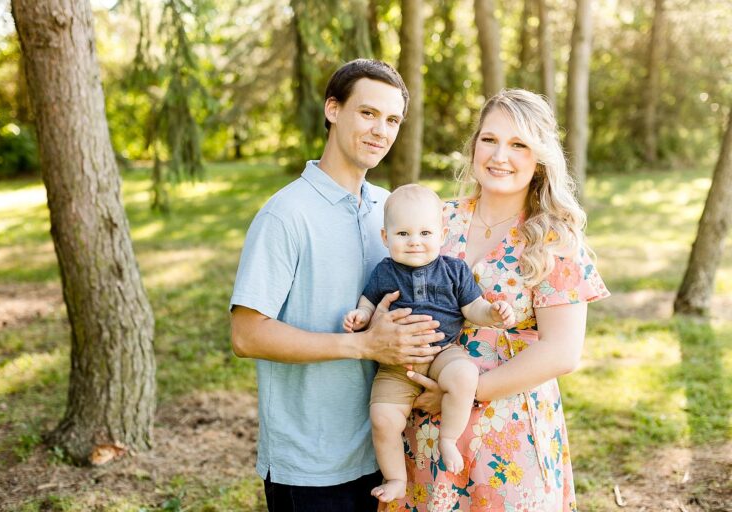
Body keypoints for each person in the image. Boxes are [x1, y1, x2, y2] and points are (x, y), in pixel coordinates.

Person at [229, 59, 446, 512]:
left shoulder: (391, 212)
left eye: (392, 120)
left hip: (387, 452)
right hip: (313, 463)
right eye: (368, 113)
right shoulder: (285, 214)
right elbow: (246, 336)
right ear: (333, 109)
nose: (380, 131)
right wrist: (366, 346)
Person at [380, 89, 610, 511]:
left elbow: (562, 352)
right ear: (473, 146)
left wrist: (463, 392)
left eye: (518, 144)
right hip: (425, 429)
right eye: (489, 140)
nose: (500, 155)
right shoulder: (437, 219)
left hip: (508, 436)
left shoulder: (553, 239)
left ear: (539, 157)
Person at [342, 184, 516, 503]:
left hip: (443, 353)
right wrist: (361, 316)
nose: (415, 242)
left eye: (424, 232)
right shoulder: (385, 272)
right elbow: (368, 302)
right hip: (395, 366)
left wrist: (491, 312)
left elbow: (472, 308)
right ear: (385, 238)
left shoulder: (454, 271)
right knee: (382, 418)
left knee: (464, 376)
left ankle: (448, 438)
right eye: (403, 234)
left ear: (442, 233)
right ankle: (395, 477)